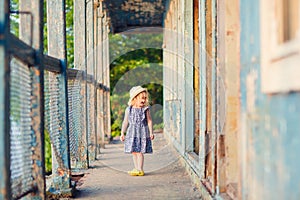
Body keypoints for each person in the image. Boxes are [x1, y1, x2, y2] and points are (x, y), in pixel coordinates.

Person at [120, 86, 155, 176]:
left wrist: (151, 132)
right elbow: (125, 121)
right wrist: (122, 133)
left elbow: (149, 121)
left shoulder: (145, 109)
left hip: (142, 132)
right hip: (132, 132)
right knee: (134, 151)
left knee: (139, 151)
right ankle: (136, 168)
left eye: (145, 98)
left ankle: (140, 169)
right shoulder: (129, 109)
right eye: (141, 98)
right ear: (135, 98)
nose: (143, 100)